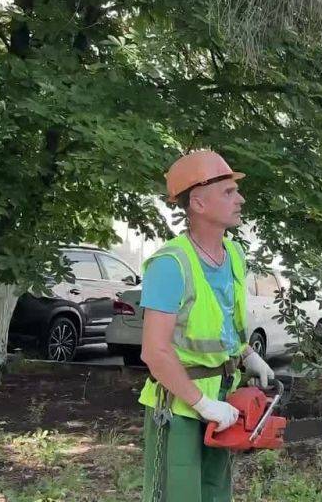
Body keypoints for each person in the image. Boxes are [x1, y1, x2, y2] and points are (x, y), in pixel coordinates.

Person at [138, 150, 276, 502]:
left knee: (216, 495)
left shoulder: (234, 254)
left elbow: (221, 324)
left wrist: (247, 356)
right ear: (198, 203)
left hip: (223, 400)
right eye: (229, 192)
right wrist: (201, 403)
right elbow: (155, 352)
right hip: (179, 406)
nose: (240, 198)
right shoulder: (171, 264)